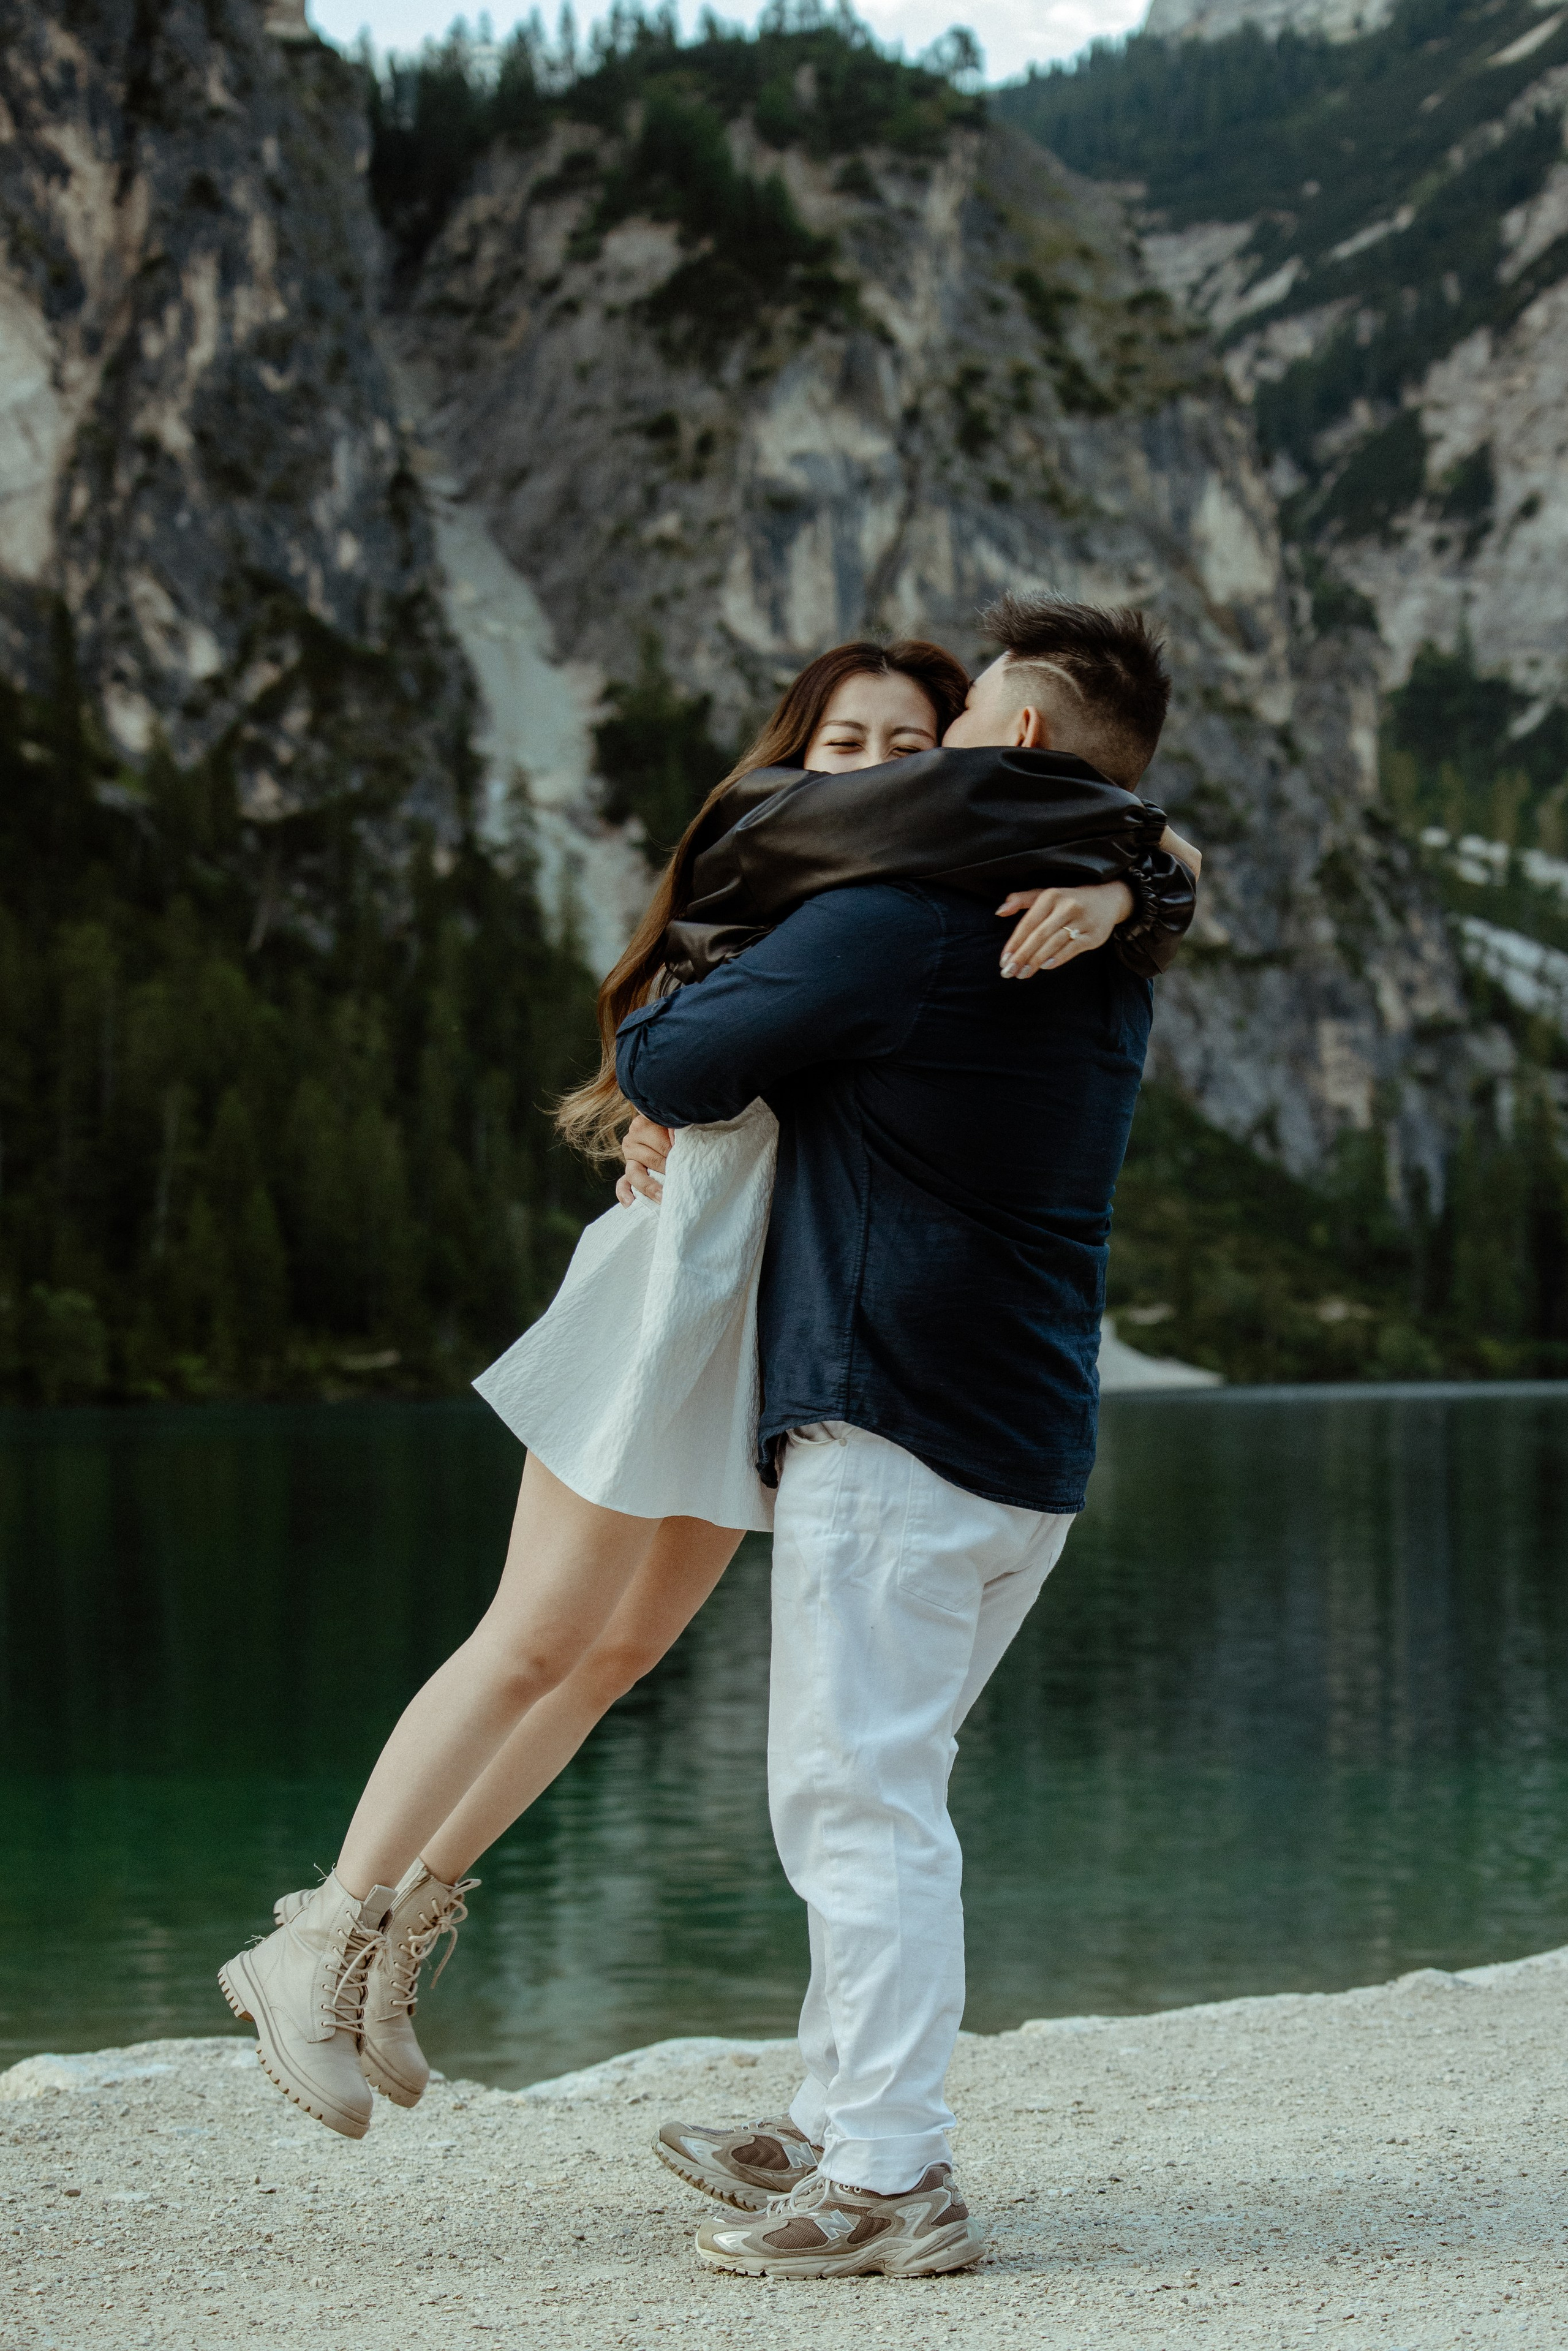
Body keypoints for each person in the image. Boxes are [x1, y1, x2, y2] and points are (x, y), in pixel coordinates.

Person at [216, 628, 1191, 2147]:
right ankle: (319, 1930)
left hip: (782, 1321)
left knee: (613, 1659)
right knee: (536, 1629)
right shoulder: (784, 875)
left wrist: (1139, 876)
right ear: (797, 752)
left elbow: (1120, 808)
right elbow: (665, 1054)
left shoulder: (963, 886)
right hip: (677, 1281)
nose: (875, 765)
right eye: (846, 740)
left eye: (905, 739)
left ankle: (402, 1938)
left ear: (973, 748)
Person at [620, 595, 1191, 2279]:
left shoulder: (902, 924)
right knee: (885, 1781)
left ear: (1012, 741)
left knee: (855, 1797)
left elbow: (673, 1052)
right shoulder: (1105, 938)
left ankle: (889, 2177)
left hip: (895, 1418)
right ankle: (835, 2110)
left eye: (954, 729)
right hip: (1024, 1438)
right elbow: (1157, 865)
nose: (916, 765)